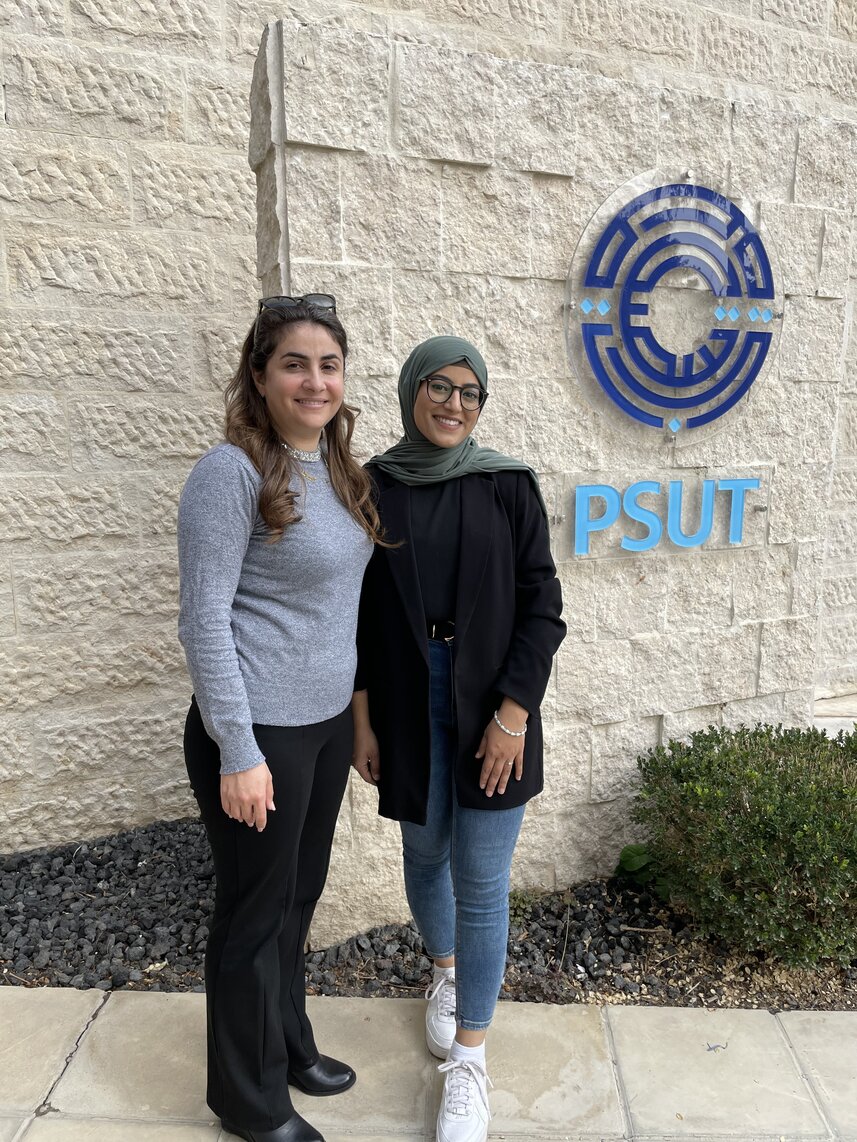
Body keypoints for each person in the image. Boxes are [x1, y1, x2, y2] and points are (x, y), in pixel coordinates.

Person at [178, 295, 385, 1142]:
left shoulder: (336, 469)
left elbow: (343, 610)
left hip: (325, 725)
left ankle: (289, 1043)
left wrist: (357, 722)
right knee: (253, 914)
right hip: (258, 731)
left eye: (328, 365)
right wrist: (237, 748)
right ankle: (249, 1102)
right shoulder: (228, 474)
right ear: (259, 375)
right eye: (294, 363)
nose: (314, 380)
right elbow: (203, 620)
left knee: (298, 899)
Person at [351, 335, 566, 1142]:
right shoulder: (371, 486)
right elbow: (355, 614)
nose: (453, 403)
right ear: (411, 389)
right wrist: (362, 719)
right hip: (407, 701)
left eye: (469, 392)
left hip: (494, 705)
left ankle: (469, 1060)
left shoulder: (506, 484)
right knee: (423, 851)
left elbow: (542, 607)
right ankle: (443, 973)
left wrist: (513, 715)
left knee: (481, 881)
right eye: (439, 387)